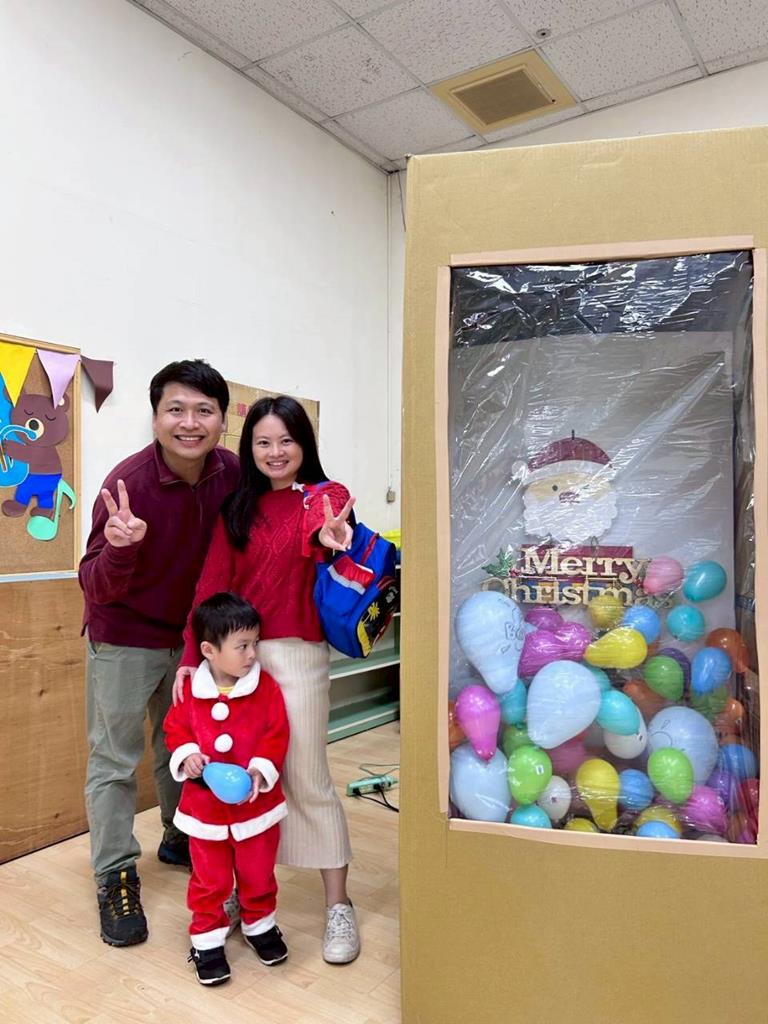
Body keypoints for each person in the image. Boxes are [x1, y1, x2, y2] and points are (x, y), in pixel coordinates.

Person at [174, 395, 361, 964]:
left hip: (298, 655)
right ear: (248, 448)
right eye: (263, 442)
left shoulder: (326, 497)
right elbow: (211, 584)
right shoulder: (238, 509)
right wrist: (193, 656)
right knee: (239, 780)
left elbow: (324, 530)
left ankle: (338, 905)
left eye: (286, 440)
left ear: (304, 444)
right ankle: (248, 896)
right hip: (235, 661)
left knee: (306, 777)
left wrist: (331, 538)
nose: (275, 452)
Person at [79, 359, 239, 948]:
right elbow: (93, 585)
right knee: (115, 759)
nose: (189, 422)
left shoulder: (231, 473)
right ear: (155, 418)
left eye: (204, 410)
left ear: (222, 420)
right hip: (123, 636)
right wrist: (120, 548)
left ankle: (179, 835)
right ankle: (115, 873)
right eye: (176, 409)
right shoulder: (129, 485)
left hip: (192, 640)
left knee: (183, 745)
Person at [164, 592, 290, 987]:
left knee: (259, 873)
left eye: (255, 643)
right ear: (209, 650)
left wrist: (260, 770)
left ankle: (260, 924)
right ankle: (206, 939)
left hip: (256, 809)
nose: (252, 654)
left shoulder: (265, 687)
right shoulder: (190, 691)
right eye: (242, 646)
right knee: (210, 879)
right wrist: (187, 755)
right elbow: (175, 729)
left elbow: (276, 733)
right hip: (206, 812)